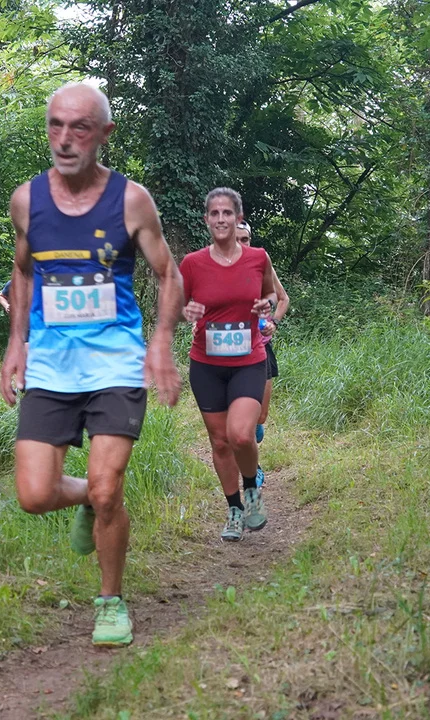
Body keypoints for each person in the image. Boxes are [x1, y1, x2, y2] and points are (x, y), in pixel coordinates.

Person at [0, 82, 183, 648]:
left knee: (109, 489)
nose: (64, 139)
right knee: (34, 495)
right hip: (52, 367)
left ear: (104, 133)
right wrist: (16, 341)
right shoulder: (26, 200)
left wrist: (161, 340)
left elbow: (168, 274)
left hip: (116, 366)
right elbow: (23, 270)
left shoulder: (131, 200)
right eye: (55, 125)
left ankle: (110, 602)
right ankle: (85, 497)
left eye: (79, 127)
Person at [180, 189, 277, 542]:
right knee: (220, 442)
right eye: (214, 213)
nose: (221, 219)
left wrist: (266, 306)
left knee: (240, 434)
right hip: (206, 364)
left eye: (227, 213)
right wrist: (187, 311)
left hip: (249, 361)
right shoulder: (192, 263)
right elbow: (179, 305)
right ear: (206, 219)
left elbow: (271, 293)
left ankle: (251, 488)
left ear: (238, 217)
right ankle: (234, 509)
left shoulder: (258, 257)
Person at [235, 222, 289, 485]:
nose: (240, 244)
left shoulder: (261, 263)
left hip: (261, 347)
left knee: (260, 417)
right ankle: (252, 467)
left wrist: (274, 323)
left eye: (245, 239)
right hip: (231, 351)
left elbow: (283, 298)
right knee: (239, 418)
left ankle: (252, 431)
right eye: (235, 239)